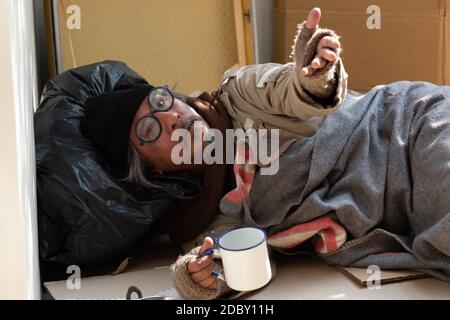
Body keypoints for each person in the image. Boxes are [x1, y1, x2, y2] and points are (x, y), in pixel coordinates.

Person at [83, 7, 450, 300]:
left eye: (161, 101)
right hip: (401, 210)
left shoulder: (238, 94)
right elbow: (231, 266)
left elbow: (286, 89)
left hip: (405, 128)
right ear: (152, 169)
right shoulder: (197, 220)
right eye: (149, 129)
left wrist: (311, 78)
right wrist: (198, 278)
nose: (171, 118)